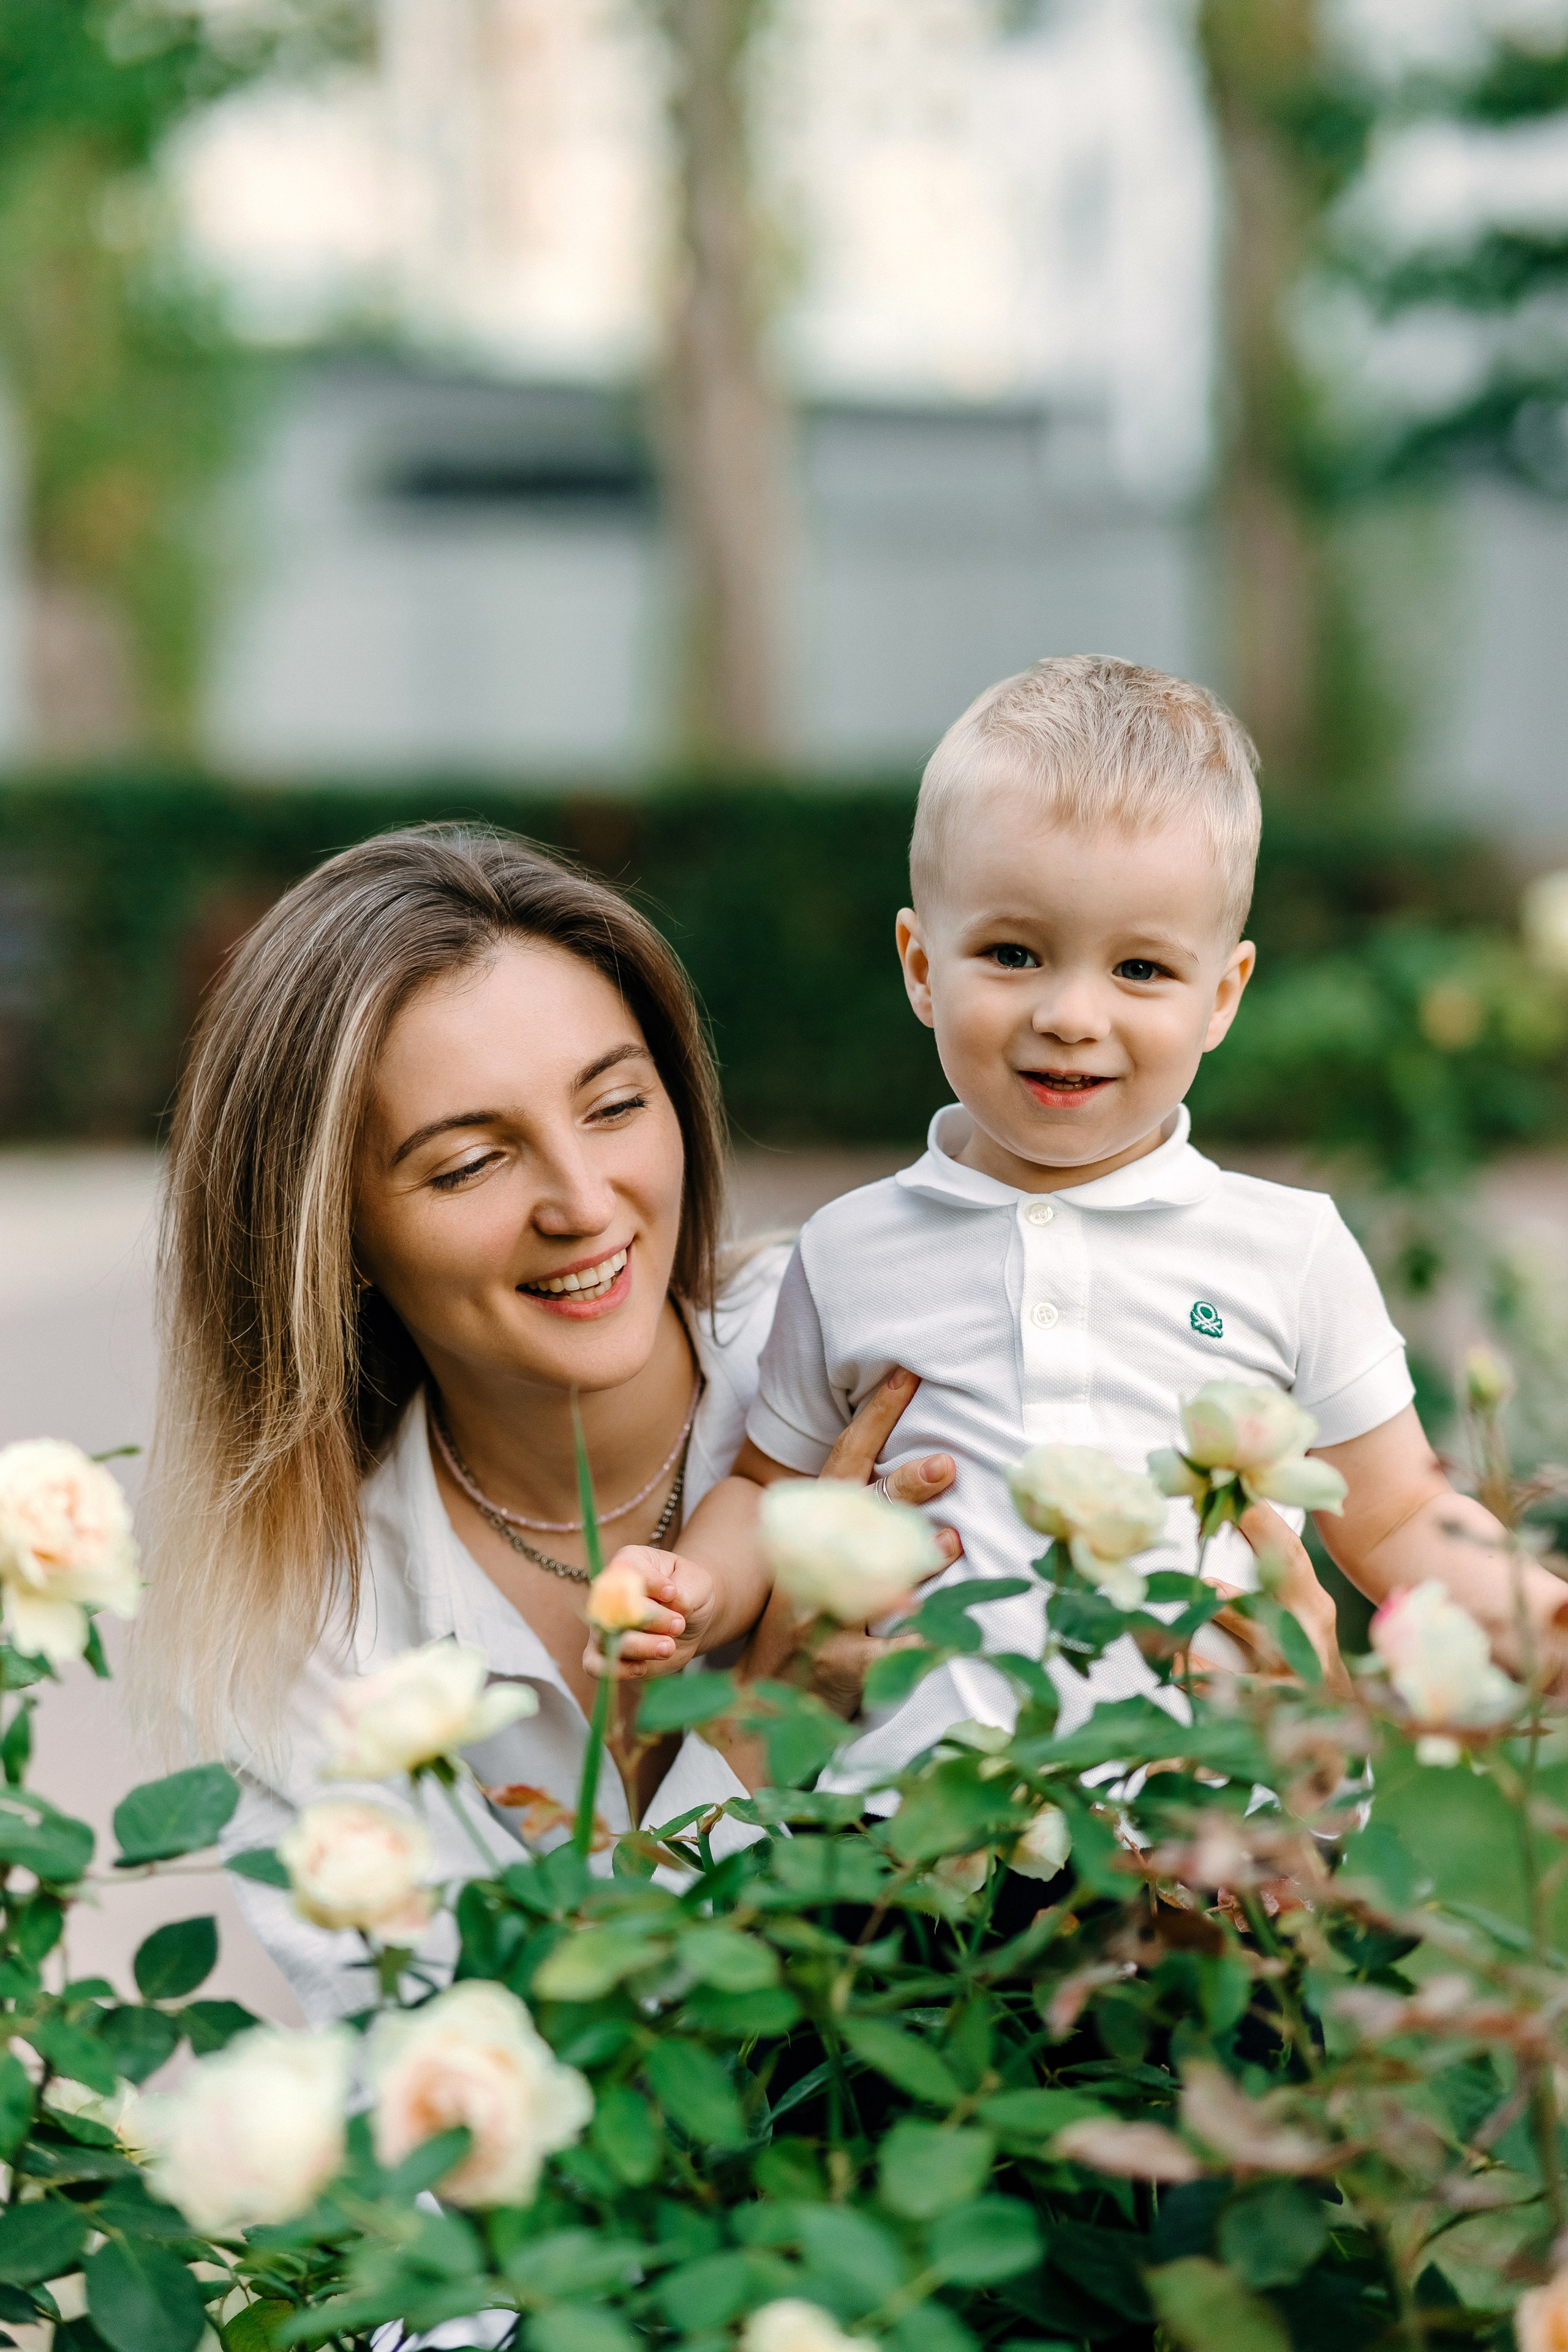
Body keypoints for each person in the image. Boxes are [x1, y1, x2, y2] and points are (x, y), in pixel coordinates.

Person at [620, 654, 1564, 1779]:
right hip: (920, 1854)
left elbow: (1400, 1512)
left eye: (1141, 969)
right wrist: (699, 1586)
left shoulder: (1287, 1248)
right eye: (1013, 954)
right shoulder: (851, 1251)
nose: (1071, 1014)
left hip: (1209, 1843)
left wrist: (1535, 1617)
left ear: (1223, 995)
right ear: (923, 966)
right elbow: (769, 1495)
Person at [131, 825, 956, 2022]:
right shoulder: (309, 1639)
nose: (581, 1202)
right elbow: (451, 2131)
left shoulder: (883, 1358)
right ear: (333, 1240)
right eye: (468, 1165)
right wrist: (741, 1763)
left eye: (614, 1105)